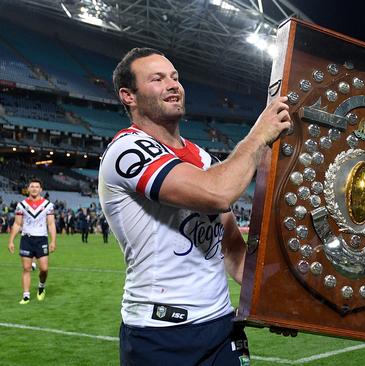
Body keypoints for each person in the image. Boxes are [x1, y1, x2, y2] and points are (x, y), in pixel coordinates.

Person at [99, 47, 290, 366]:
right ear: (128, 96)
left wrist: (274, 303)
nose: (173, 84)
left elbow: (233, 252)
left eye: (175, 77)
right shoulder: (126, 150)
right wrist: (258, 136)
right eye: (157, 79)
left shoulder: (204, 159)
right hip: (160, 335)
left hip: (220, 327)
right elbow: (217, 192)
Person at [7, 178, 57, 304]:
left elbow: (51, 224)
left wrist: (53, 241)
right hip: (26, 239)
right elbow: (17, 224)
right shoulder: (22, 205)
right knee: (26, 268)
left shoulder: (48, 205)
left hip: (41, 239)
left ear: (41, 189)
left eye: (37, 186)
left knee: (44, 269)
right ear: (28, 189)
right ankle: (26, 295)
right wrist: (11, 241)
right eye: (32, 186)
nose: (34, 188)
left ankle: (41, 286)